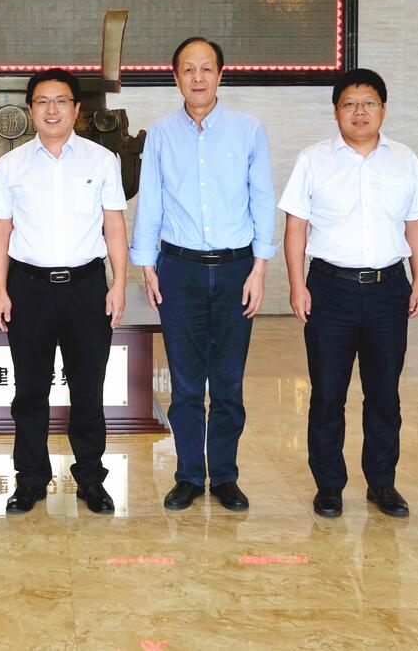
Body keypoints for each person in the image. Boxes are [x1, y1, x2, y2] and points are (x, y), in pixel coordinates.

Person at [279, 69, 418, 519]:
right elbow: (296, 226)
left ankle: (382, 484)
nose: (359, 112)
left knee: (384, 394)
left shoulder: (404, 159)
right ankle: (329, 485)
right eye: (349, 103)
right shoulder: (313, 159)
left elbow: (417, 223)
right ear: (336, 112)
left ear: (383, 109)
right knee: (327, 394)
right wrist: (297, 285)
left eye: (368, 102)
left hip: (389, 289)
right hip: (330, 290)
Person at [130, 37, 276, 512]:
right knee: (186, 384)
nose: (198, 77)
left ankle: (226, 476)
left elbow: (262, 200)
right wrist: (146, 264)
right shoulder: (160, 133)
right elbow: (151, 200)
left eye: (206, 68)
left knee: (228, 383)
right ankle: (190, 475)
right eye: (188, 69)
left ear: (220, 74)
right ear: (175, 77)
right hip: (179, 269)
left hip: (236, 269)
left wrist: (259, 268)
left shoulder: (247, 130)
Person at [0, 68, 129, 515]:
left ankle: (90, 478)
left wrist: (119, 283)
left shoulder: (101, 160)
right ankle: (30, 479)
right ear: (31, 110)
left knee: (88, 389)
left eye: (61, 101)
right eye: (43, 101)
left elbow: (114, 225)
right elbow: (0, 231)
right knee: (30, 391)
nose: (52, 110)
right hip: (28, 288)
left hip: (86, 288)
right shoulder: (11, 165)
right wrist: (0, 290)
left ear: (77, 109)